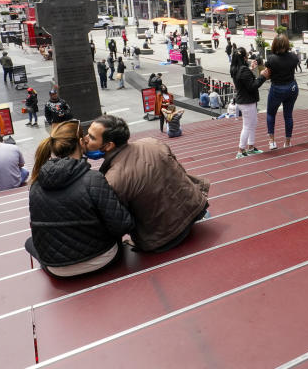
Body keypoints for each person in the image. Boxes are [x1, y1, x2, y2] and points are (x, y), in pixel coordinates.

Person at [25, 120, 134, 277]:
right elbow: (122, 225)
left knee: (29, 242)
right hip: (101, 260)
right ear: (80, 142)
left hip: (57, 270)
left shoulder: (35, 184)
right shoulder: (93, 179)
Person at [86, 115, 210, 252]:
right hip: (195, 210)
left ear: (108, 145)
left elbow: (117, 222)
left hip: (163, 238)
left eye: (91, 137)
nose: (84, 139)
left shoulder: (113, 179)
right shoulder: (152, 142)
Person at [231, 47, 268, 158]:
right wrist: (262, 76)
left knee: (253, 123)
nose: (248, 58)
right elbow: (252, 86)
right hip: (247, 101)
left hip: (245, 101)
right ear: (243, 57)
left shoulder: (236, 68)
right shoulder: (243, 70)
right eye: (247, 56)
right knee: (247, 126)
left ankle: (251, 147)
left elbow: (246, 81)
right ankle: (241, 150)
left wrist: (251, 70)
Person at [265, 34, 300, 150]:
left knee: (271, 113)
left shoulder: (271, 59)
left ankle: (272, 142)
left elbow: (268, 74)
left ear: (274, 44)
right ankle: (288, 142)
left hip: (277, 89)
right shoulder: (294, 57)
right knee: (288, 115)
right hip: (292, 87)